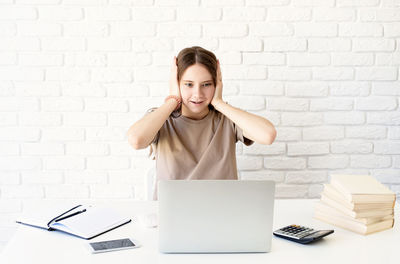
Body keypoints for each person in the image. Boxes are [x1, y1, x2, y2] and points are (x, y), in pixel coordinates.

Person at [127, 46, 277, 200]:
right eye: (188, 84)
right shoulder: (161, 119)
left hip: (223, 213)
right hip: (174, 216)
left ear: (217, 84)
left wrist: (219, 103)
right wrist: (173, 99)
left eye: (206, 84)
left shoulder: (227, 119)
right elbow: (136, 140)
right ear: (176, 83)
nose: (197, 94)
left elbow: (268, 135)